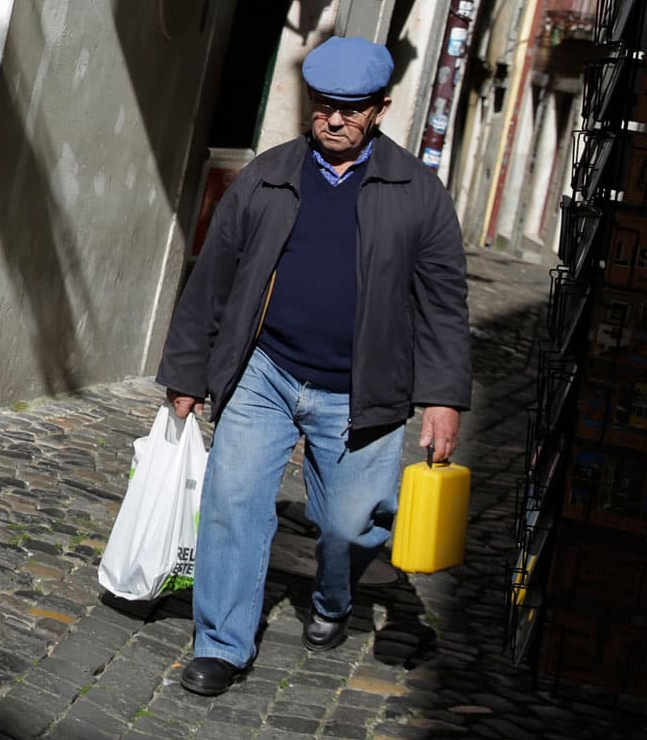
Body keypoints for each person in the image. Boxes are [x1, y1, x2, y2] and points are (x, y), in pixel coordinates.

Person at [156, 36, 470, 696]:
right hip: (264, 371)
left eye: (351, 109)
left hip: (364, 390)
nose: (334, 119)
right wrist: (187, 371)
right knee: (233, 501)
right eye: (325, 105)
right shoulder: (268, 176)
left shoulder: (418, 193)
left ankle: (332, 599)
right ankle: (221, 643)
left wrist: (443, 397)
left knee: (351, 524)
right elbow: (212, 280)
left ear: (380, 110)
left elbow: (443, 303)